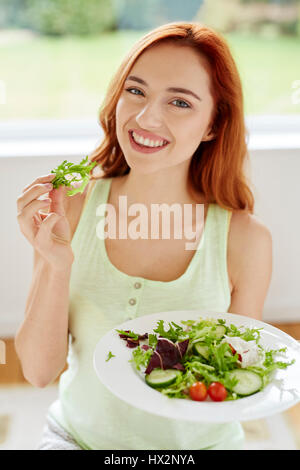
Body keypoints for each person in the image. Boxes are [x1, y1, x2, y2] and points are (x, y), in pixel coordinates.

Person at [15, 22, 272, 450]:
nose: (146, 117)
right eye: (135, 91)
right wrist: (55, 266)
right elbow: (39, 373)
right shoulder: (72, 208)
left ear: (213, 124)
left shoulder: (245, 241)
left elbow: (236, 381)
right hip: (75, 440)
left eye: (179, 102)